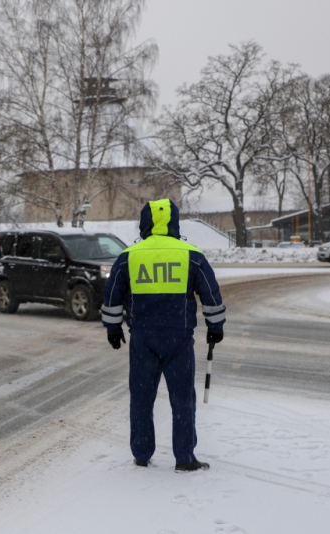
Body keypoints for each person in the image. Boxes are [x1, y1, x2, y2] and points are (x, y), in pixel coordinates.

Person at [101, 198, 225, 472]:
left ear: (145, 223)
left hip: (142, 338)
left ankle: (142, 455)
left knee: (141, 399)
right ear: (174, 222)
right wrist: (216, 326)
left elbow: (112, 296)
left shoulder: (129, 256)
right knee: (182, 399)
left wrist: (113, 329)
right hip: (178, 339)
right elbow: (210, 294)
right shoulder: (191, 255)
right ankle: (184, 458)